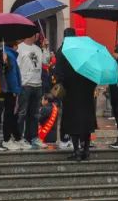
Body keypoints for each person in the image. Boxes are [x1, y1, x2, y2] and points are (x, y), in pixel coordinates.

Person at [54, 29, 97, 161]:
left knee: (73, 121)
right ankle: (86, 150)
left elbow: (59, 74)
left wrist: (59, 84)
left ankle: (76, 151)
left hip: (71, 91)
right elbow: (93, 69)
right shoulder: (84, 50)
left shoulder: (62, 52)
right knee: (86, 120)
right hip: (86, 90)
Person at [16, 31, 47, 149]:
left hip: (37, 84)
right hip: (25, 85)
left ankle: (33, 138)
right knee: (22, 113)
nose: (38, 36)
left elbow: (45, 61)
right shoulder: (20, 48)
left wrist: (45, 48)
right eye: (36, 34)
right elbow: (17, 67)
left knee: (35, 114)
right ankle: (20, 138)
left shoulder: (38, 49)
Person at [1, 40, 24, 149]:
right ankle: (7, 139)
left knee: (13, 115)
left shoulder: (10, 54)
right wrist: (16, 90)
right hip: (10, 91)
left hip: (11, 90)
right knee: (9, 115)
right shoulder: (9, 55)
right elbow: (12, 75)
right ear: (14, 45)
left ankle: (17, 137)